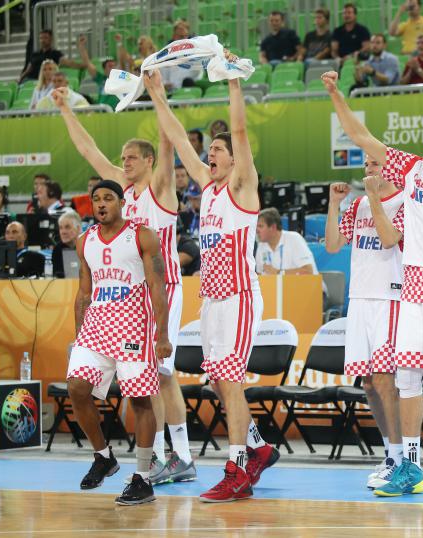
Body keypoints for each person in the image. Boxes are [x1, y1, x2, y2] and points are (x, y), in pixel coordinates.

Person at [323, 56, 423, 501]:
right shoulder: (410, 171)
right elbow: (361, 137)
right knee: (407, 379)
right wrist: (336, 93)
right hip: (414, 282)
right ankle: (410, 466)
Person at [145, 67, 279, 502]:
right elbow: (181, 140)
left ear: (236, 160)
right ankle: (257, 446)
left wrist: (233, 82)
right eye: (213, 150)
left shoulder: (243, 185)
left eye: (220, 149)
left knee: (232, 382)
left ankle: (237, 466)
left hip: (239, 297)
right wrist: (157, 95)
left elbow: (239, 128)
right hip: (212, 300)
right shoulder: (209, 188)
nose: (213, 153)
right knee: (221, 383)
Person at [53, 86, 195, 486]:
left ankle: (177, 455)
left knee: (160, 375)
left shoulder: (160, 188)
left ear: (148, 160)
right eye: (123, 159)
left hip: (158, 289)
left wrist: (157, 93)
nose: (124, 163)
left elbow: (170, 140)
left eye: (131, 157)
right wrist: (65, 107)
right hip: (119, 298)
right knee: (157, 378)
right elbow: (88, 150)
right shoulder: (118, 191)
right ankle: (169, 457)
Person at [67, 180, 171, 505]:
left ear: (121, 202)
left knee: (141, 401)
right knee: (76, 387)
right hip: (96, 326)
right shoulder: (85, 241)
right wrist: (78, 335)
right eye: (96, 199)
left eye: (107, 198)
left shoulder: (142, 235)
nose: (100, 204)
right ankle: (103, 457)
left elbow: (158, 287)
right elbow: (84, 292)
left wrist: (162, 334)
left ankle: (142, 478)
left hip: (132, 327)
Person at [325, 157, 405, 490]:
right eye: (367, 162)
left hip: (390, 297)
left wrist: (373, 197)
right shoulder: (356, 205)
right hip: (359, 299)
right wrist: (334, 205)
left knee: (386, 382)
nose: (369, 167)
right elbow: (331, 246)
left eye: (376, 162)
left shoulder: (404, 200)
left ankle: (401, 459)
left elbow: (389, 239)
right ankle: (390, 453)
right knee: (370, 385)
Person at [256, 208, 317, 275]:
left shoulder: (294, 238)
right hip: (278, 285)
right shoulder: (261, 246)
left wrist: (278, 273)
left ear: (273, 227)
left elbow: (308, 271)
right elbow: (259, 277)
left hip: (307, 285)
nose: (256, 230)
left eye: (260, 226)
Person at [19, 29, 84, 83]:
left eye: (45, 38)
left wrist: (84, 65)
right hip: (31, 80)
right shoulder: (35, 54)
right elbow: (28, 70)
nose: (43, 40)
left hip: (46, 81)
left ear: (51, 39)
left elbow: (70, 63)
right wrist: (20, 79)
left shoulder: (56, 54)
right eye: (41, 38)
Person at [77, 35, 119, 110]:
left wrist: (119, 43)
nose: (113, 68)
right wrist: (81, 46)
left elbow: (123, 60)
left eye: (114, 66)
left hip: (118, 112)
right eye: (110, 66)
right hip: (102, 112)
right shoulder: (101, 79)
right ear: (104, 70)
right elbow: (87, 63)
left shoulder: (122, 79)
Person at [52, 209, 83, 278]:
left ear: (78, 228)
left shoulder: (89, 246)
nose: (63, 232)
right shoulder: (58, 249)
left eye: (67, 227)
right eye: (61, 228)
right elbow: (57, 276)